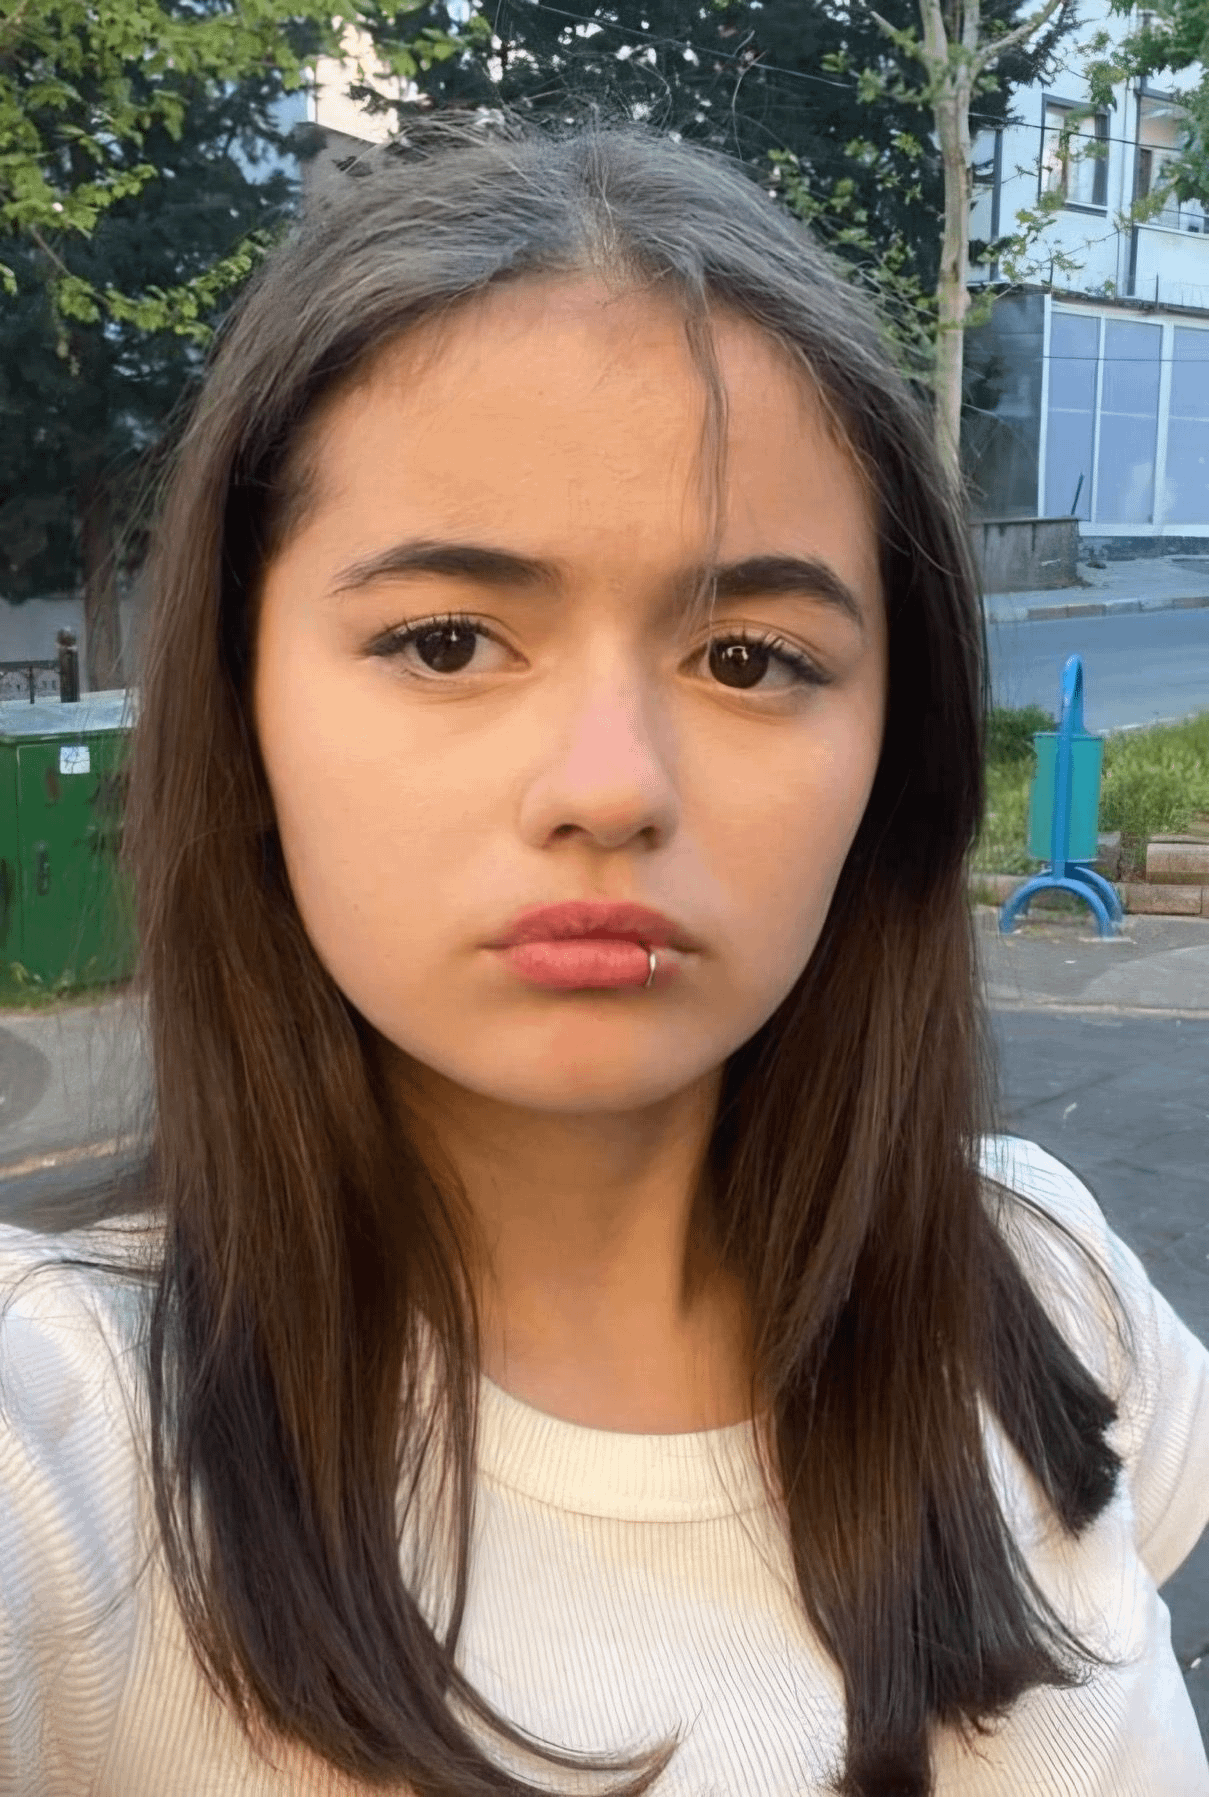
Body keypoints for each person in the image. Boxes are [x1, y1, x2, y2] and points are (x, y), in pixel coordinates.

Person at [1, 113, 1207, 1797]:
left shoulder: (1041, 1283)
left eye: (750, 658)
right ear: (242, 703)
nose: (612, 788)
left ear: (894, 750)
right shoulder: (58, 1448)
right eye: (447, 641)